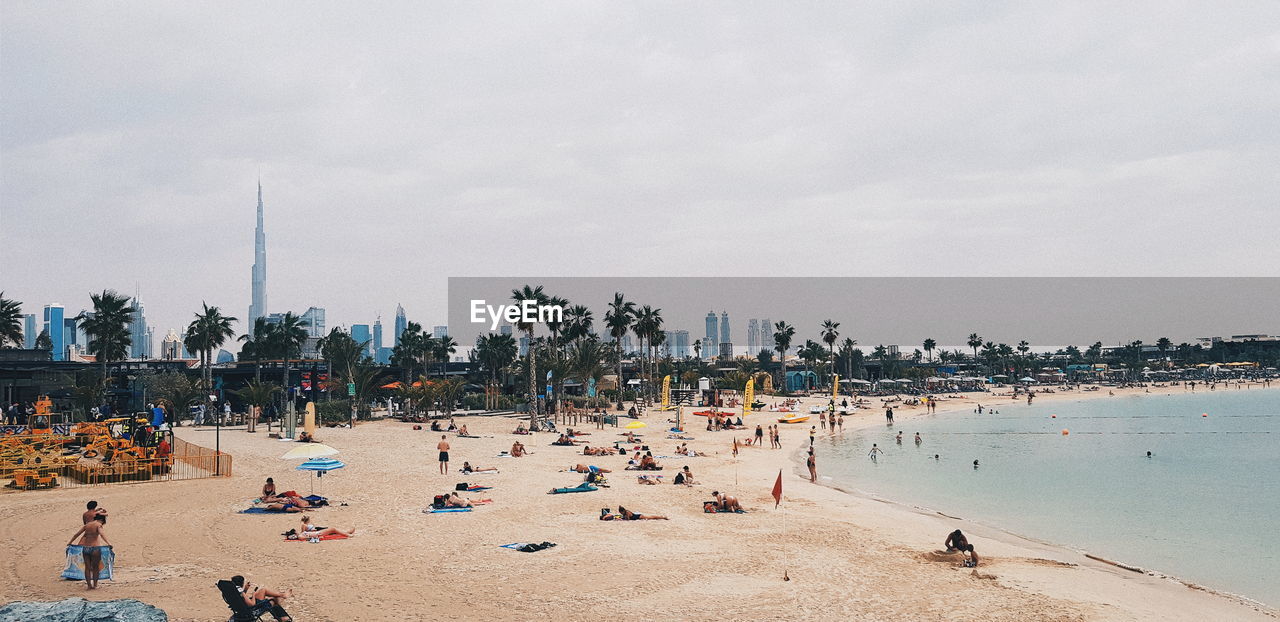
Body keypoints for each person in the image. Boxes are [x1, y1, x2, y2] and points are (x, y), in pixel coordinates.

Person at [68, 513, 110, 589]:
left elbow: (76, 534)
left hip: (86, 548)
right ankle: (95, 585)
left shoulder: (87, 525)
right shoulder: (98, 525)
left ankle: (89, 585)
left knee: (87, 567)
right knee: (95, 567)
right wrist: (109, 543)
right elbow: (102, 534)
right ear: (102, 520)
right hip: (95, 548)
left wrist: (70, 542)